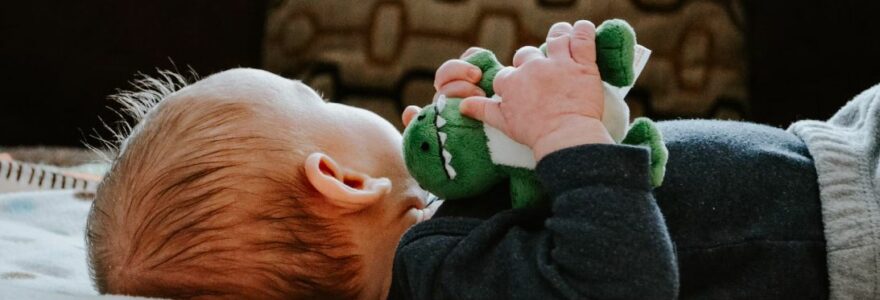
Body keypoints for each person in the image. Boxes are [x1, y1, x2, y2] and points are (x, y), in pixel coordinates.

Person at [86, 20, 880, 299]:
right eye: (311, 96)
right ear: (339, 179)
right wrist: (569, 132)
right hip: (848, 227)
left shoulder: (439, 243)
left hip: (826, 157)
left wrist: (516, 129)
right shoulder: (445, 282)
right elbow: (621, 280)